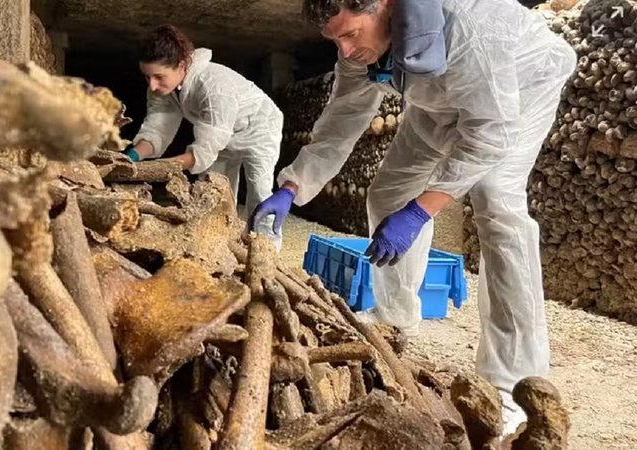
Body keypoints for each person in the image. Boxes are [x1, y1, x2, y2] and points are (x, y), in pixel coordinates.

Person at [248, 0, 576, 434]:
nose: (344, 51)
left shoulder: (469, 30)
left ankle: (513, 382)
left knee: (497, 205)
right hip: (438, 100)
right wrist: (291, 187)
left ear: (383, 6)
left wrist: (421, 212)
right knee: (388, 192)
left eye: (350, 34)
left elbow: (487, 136)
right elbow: (343, 118)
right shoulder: (359, 50)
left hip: (520, 83)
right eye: (335, 40)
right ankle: (396, 315)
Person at [125, 24, 284, 248]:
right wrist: (132, 156)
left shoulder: (213, 85)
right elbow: (158, 126)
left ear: (181, 65)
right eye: (147, 77)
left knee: (259, 190)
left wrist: (161, 168)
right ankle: (221, 245)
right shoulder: (161, 86)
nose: (152, 85)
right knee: (214, 191)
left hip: (259, 128)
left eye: (159, 76)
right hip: (221, 134)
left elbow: (206, 147)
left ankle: (267, 249)